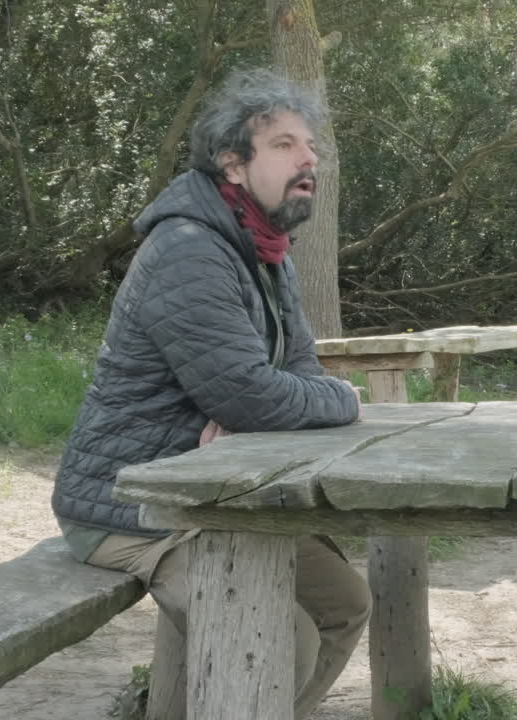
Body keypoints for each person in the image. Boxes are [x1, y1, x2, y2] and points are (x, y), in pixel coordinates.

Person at [52, 67, 369, 719]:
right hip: (130, 503)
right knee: (280, 638)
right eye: (283, 144)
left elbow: (294, 380)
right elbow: (259, 396)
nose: (308, 158)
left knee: (344, 605)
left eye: (309, 146)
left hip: (210, 495)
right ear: (232, 163)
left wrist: (261, 414)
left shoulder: (263, 249)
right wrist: (336, 402)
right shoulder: (189, 250)